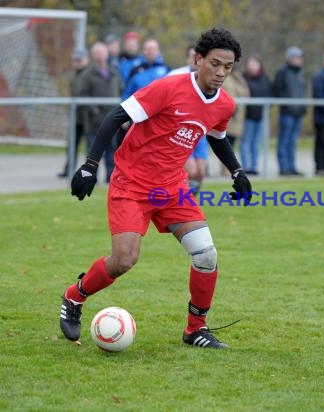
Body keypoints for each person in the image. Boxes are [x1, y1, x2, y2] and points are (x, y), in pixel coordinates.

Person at [59, 28, 252, 349]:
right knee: (123, 260)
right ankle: (73, 297)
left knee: (206, 255)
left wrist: (237, 171)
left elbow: (217, 138)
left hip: (172, 189)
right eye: (214, 64)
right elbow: (115, 117)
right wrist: (90, 165)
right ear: (198, 59)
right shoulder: (168, 88)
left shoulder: (224, 104)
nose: (220, 73)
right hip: (132, 184)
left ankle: (195, 329)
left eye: (228, 67)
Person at [168, 45, 209, 194]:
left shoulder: (208, 78)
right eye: (193, 56)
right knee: (190, 170)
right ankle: (181, 200)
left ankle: (190, 199)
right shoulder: (175, 75)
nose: (196, 60)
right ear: (187, 58)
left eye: (199, 57)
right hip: (181, 131)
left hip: (200, 131)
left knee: (201, 172)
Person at [79, 41, 122, 183]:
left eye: (102, 52)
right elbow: (82, 95)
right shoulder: (87, 74)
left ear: (107, 54)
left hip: (112, 122)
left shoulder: (114, 72)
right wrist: (94, 110)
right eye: (96, 53)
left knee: (112, 153)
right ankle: (91, 179)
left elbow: (121, 90)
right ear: (92, 55)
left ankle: (111, 179)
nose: (99, 56)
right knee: (93, 153)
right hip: (94, 123)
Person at [272, 46, 307, 176]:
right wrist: (286, 105)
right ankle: (283, 167)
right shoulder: (282, 72)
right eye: (297, 58)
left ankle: (292, 167)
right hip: (287, 113)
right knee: (284, 140)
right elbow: (277, 90)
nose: (299, 60)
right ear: (290, 58)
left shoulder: (301, 73)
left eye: (300, 58)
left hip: (299, 113)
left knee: (293, 141)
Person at [58, 49, 90, 178]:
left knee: (90, 145)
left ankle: (88, 172)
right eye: (75, 60)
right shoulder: (73, 74)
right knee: (72, 143)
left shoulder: (90, 74)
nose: (77, 62)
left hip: (88, 116)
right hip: (76, 115)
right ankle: (69, 169)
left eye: (80, 60)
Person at [240, 55, 272, 175]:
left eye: (255, 63)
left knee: (256, 142)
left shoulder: (264, 79)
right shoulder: (243, 79)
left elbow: (270, 93)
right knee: (246, 141)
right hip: (247, 116)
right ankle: (246, 167)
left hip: (261, 116)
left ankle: (254, 166)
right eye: (250, 63)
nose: (253, 66)